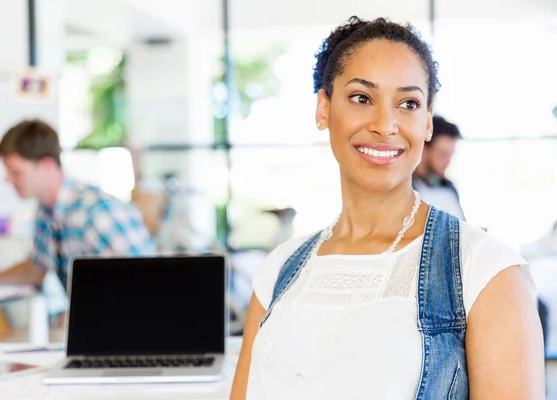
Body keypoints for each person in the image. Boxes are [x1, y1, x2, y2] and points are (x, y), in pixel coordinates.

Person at [230, 17, 544, 400]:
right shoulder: (278, 270)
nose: (385, 124)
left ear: (426, 121)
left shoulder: (485, 270)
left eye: (408, 103)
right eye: (362, 98)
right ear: (324, 108)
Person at [0, 119, 156, 290]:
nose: (7, 180)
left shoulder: (97, 212)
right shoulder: (46, 212)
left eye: (16, 172)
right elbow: (34, 271)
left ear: (47, 165)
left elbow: (148, 282)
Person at [413, 115, 466, 220]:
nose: (448, 162)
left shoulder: (450, 187)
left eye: (450, 155)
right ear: (424, 151)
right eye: (443, 155)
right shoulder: (406, 191)